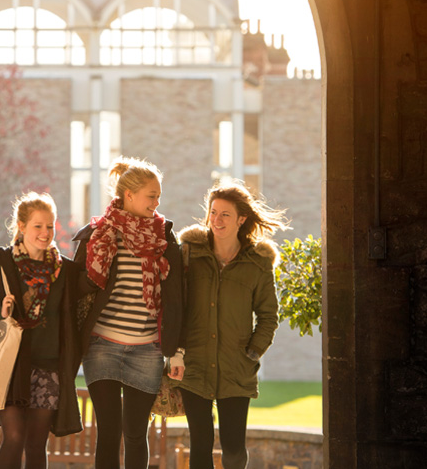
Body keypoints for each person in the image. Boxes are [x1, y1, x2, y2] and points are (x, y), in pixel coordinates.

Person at [72, 156, 185, 469]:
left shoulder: (165, 237)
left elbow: (176, 298)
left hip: (146, 351)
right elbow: (76, 289)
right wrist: (95, 270)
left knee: (136, 433)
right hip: (102, 348)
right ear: (129, 195)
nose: (157, 202)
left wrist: (176, 352)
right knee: (108, 432)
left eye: (159, 196)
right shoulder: (99, 235)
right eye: (152, 195)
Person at [0, 192, 82, 469]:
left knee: (37, 444)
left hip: (48, 367)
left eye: (50, 226)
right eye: (38, 226)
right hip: (10, 367)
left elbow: (91, 288)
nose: (45, 233)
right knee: (14, 436)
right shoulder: (0, 263)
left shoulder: (63, 270)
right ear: (22, 226)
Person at [176, 181, 287, 469]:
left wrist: (252, 351)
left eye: (225, 214)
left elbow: (268, 315)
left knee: (234, 448)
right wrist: (177, 350)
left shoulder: (257, 264)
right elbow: (175, 304)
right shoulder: (190, 255)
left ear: (241, 219)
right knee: (199, 446)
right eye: (213, 212)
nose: (217, 220)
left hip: (236, 367)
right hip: (195, 365)